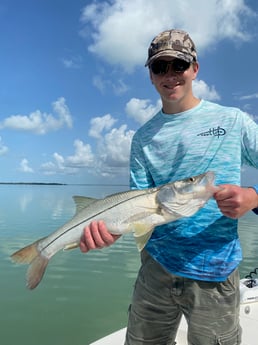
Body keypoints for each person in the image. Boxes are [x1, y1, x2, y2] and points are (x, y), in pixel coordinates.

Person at [80, 29, 258, 345]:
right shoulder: (143, 138)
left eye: (179, 64)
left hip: (214, 273)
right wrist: (109, 231)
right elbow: (138, 209)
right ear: (150, 75)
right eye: (159, 67)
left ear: (195, 69)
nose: (170, 74)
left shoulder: (234, 121)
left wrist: (254, 197)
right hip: (155, 269)